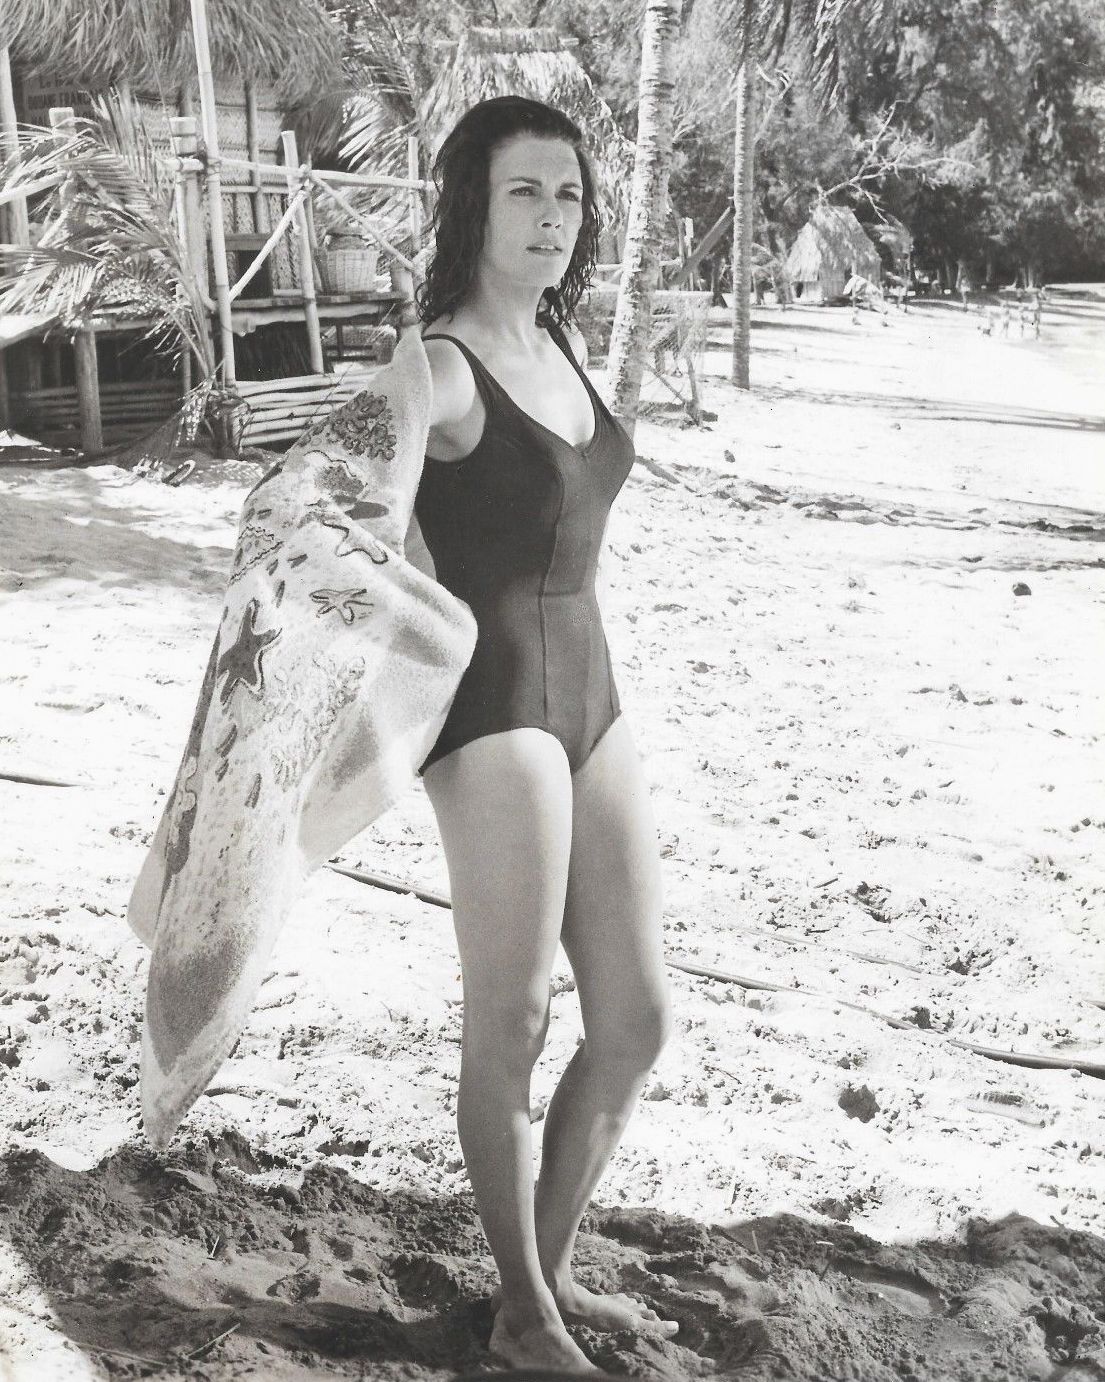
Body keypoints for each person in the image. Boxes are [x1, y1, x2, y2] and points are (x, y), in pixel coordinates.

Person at [410, 97, 678, 1375]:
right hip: (492, 708)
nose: (552, 216)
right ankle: (520, 1316)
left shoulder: (560, 343)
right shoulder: (438, 367)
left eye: (568, 194)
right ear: (472, 204)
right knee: (513, 1018)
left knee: (634, 1018)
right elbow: (319, 509)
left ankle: (551, 1269)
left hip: (591, 690)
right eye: (524, 191)